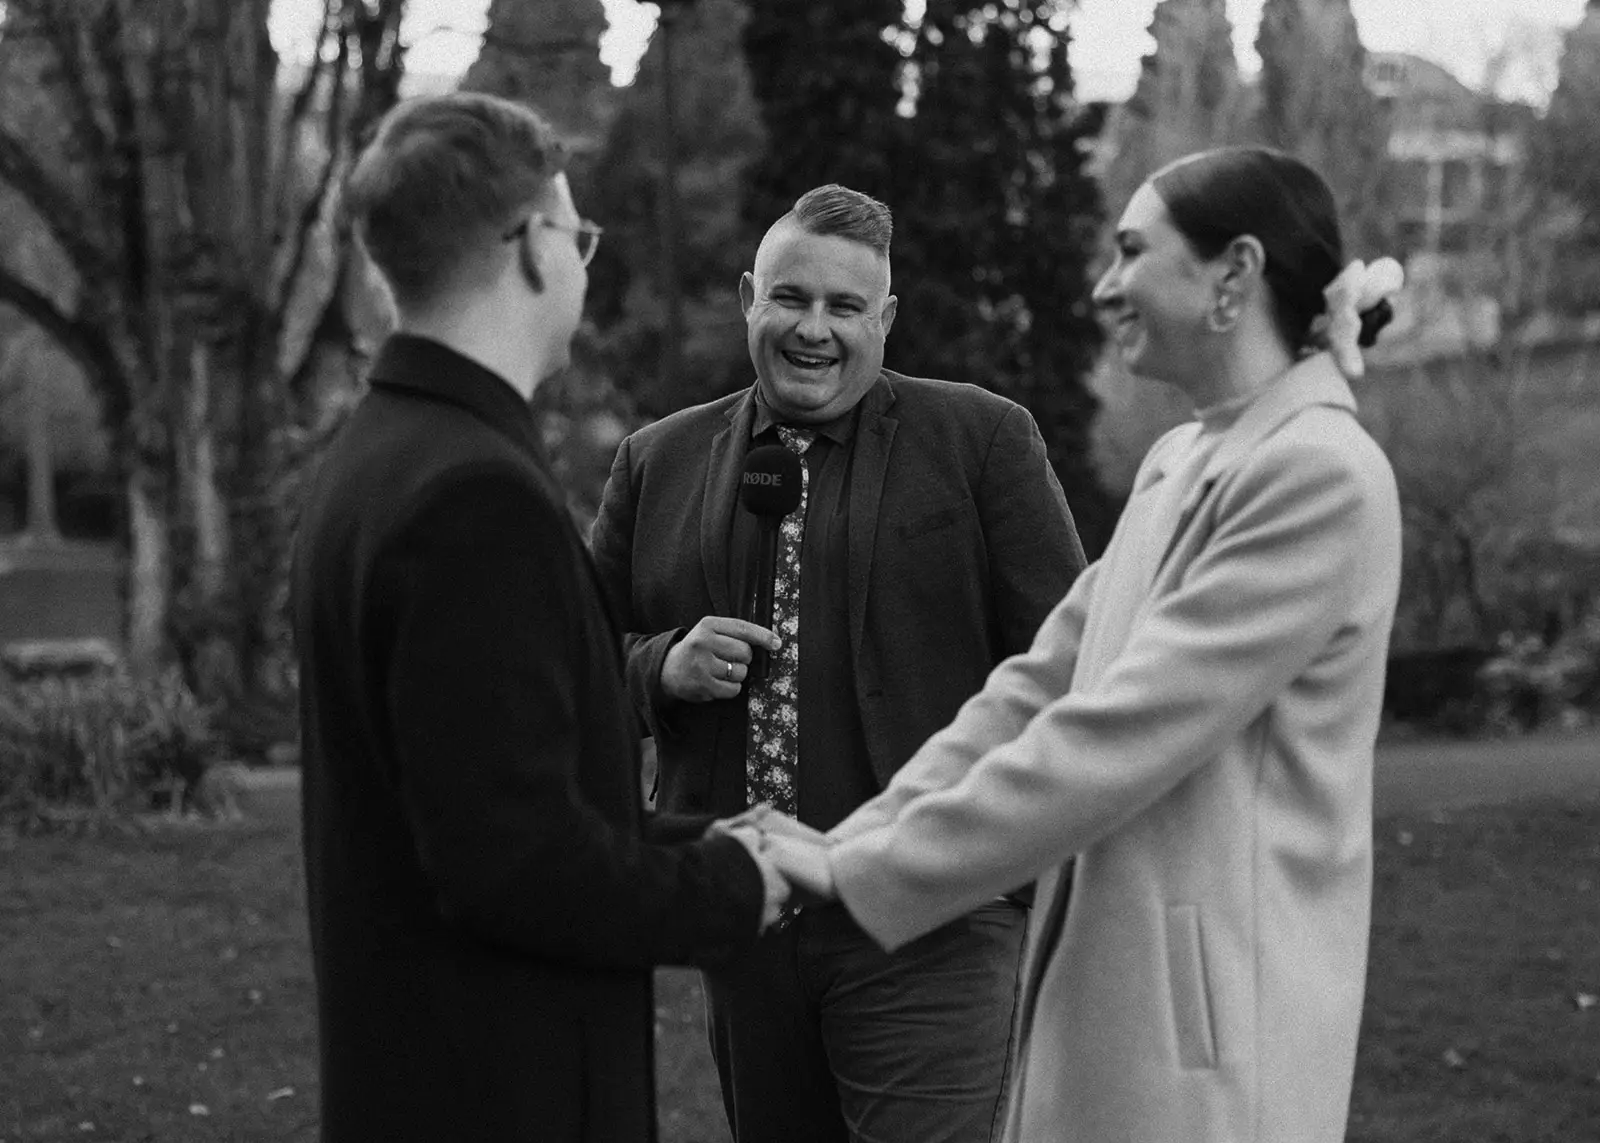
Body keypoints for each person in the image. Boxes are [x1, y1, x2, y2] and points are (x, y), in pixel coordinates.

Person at [763, 147, 1406, 1143]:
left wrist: (870, 878)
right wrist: (851, 843)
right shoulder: (1179, 458)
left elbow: (1116, 735)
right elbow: (1036, 688)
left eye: (1131, 250)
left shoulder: (1319, 475)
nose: (1107, 285)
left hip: (1213, 1037)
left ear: (1233, 274)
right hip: (1111, 1000)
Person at [290, 92, 786, 1143]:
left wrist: (706, 838)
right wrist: (736, 888)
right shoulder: (474, 497)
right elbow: (514, 868)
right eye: (578, 232)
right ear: (526, 248)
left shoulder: (378, 455)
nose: (583, 259)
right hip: (495, 1089)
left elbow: (480, 799)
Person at [589, 184, 1086, 1142]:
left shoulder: (981, 441)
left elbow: (1071, 664)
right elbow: (560, 677)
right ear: (748, 298)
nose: (813, 329)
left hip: (934, 918)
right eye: (790, 298)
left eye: (844, 307)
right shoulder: (659, 462)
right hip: (746, 916)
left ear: (886, 319)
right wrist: (658, 666)